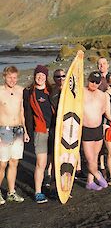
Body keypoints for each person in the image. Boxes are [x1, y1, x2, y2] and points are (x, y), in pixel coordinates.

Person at [0, 66, 30, 205]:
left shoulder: (20, 91)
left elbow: (22, 111)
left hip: (18, 130)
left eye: (14, 77)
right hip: (4, 130)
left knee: (14, 162)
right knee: (2, 164)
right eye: (9, 77)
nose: (12, 80)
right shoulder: (0, 91)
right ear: (4, 76)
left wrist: (25, 130)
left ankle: (11, 192)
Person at [23, 65, 53, 203]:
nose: (40, 77)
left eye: (43, 75)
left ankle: (53, 185)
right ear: (35, 76)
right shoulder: (29, 92)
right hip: (40, 132)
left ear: (46, 77)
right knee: (41, 163)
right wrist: (25, 130)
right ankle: (38, 192)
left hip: (54, 131)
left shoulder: (51, 91)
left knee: (54, 162)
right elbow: (23, 111)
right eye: (38, 75)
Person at [82, 71, 108, 190]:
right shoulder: (81, 92)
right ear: (88, 80)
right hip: (86, 130)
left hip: (98, 129)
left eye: (97, 82)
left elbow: (103, 110)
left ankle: (89, 182)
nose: (94, 84)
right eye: (92, 81)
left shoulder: (102, 95)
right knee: (90, 159)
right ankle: (98, 176)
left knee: (95, 157)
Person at [97, 57, 110, 179]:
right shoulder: (95, 79)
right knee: (101, 142)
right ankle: (102, 166)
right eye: (100, 64)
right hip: (99, 114)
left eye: (104, 64)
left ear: (108, 65)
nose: (102, 66)